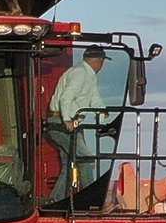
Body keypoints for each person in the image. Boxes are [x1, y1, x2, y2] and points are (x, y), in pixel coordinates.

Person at [49, 42, 120, 208]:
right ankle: (90, 201)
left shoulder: (88, 75)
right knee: (86, 160)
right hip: (61, 123)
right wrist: (67, 120)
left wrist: (103, 115)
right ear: (98, 61)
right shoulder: (80, 73)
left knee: (69, 164)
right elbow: (66, 97)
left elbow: (93, 97)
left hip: (67, 123)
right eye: (102, 61)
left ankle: (56, 200)